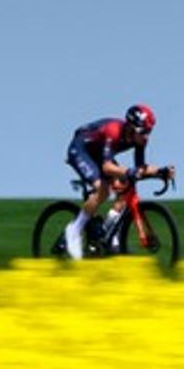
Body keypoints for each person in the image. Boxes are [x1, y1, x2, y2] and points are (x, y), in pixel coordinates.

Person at [61, 105, 170, 257]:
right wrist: (128, 172)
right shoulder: (113, 131)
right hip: (81, 149)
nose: (147, 136)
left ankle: (110, 235)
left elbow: (140, 168)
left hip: (98, 153)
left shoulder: (140, 140)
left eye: (149, 131)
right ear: (132, 128)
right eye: (144, 131)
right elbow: (106, 167)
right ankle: (74, 231)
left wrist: (160, 172)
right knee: (103, 189)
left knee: (124, 186)